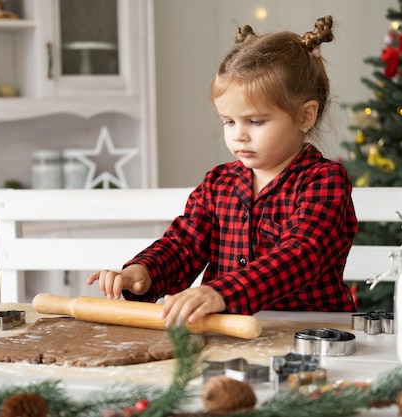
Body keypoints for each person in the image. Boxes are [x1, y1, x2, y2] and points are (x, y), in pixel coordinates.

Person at [87, 15, 358, 328]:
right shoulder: (218, 183)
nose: (238, 135)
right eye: (229, 121)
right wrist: (143, 273)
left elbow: (301, 254)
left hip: (307, 334)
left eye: (255, 121)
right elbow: (183, 245)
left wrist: (223, 293)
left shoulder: (324, 181)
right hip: (224, 332)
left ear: (305, 116)